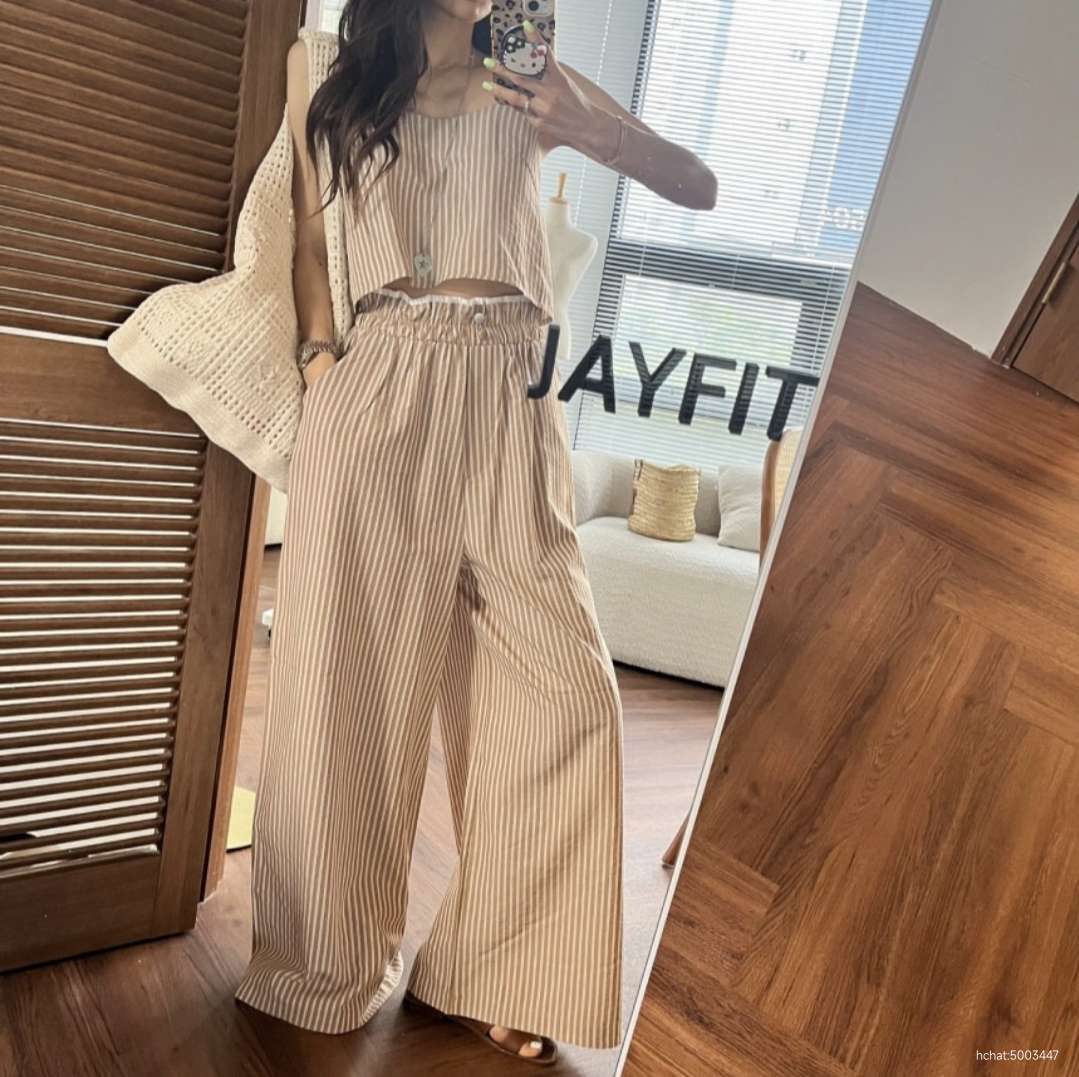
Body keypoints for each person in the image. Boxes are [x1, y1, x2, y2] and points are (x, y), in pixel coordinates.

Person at [233, 0, 718, 1064]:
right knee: (345, 690)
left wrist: (588, 127)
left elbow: (698, 184)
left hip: (511, 387)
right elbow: (310, 239)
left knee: (565, 692)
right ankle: (322, 958)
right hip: (379, 381)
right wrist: (321, 361)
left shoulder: (529, 74)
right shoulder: (326, 70)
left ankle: (498, 967)